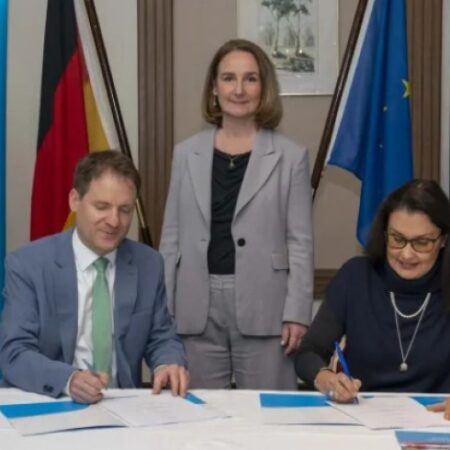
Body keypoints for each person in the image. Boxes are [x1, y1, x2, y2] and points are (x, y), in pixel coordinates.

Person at [159, 39, 313, 389]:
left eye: (250, 79)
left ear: (264, 87)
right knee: (199, 415)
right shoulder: (185, 154)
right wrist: (163, 312)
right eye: (229, 78)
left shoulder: (291, 156)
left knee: (268, 415)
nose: (239, 90)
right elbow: (171, 238)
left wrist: (298, 313)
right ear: (214, 87)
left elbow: (300, 242)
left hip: (266, 307)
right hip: (195, 306)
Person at [0, 150, 188, 403]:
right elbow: (13, 352)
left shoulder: (148, 264)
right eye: (102, 207)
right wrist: (69, 380)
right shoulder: (28, 264)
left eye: (125, 210)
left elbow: (162, 337)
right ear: (74, 200)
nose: (114, 221)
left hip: (123, 405)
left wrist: (168, 363)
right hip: (51, 401)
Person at [295, 179, 450, 405]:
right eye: (397, 239)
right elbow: (308, 352)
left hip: (437, 417)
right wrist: (328, 380)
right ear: (384, 234)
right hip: (363, 414)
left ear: (443, 240)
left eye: (422, 243)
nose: (406, 254)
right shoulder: (356, 277)